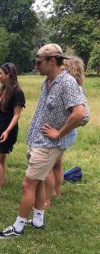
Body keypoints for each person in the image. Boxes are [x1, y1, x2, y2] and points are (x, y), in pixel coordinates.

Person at [0, 44, 87, 239]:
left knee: (28, 184)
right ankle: (37, 219)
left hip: (48, 145)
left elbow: (80, 114)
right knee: (40, 180)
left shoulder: (67, 83)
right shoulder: (48, 82)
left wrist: (58, 133)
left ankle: (17, 227)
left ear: (52, 61)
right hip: (37, 141)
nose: (36, 65)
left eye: (38, 61)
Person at [44, 56, 90, 207]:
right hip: (65, 133)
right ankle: (56, 192)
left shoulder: (72, 88)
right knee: (57, 164)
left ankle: (46, 200)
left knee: (49, 165)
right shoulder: (69, 86)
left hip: (63, 134)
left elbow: (83, 117)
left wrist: (61, 129)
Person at [0, 63, 25, 195]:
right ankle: (0, 182)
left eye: (0, 73)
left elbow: (16, 115)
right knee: (1, 158)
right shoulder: (2, 89)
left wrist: (7, 131)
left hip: (7, 130)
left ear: (8, 75)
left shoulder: (17, 92)